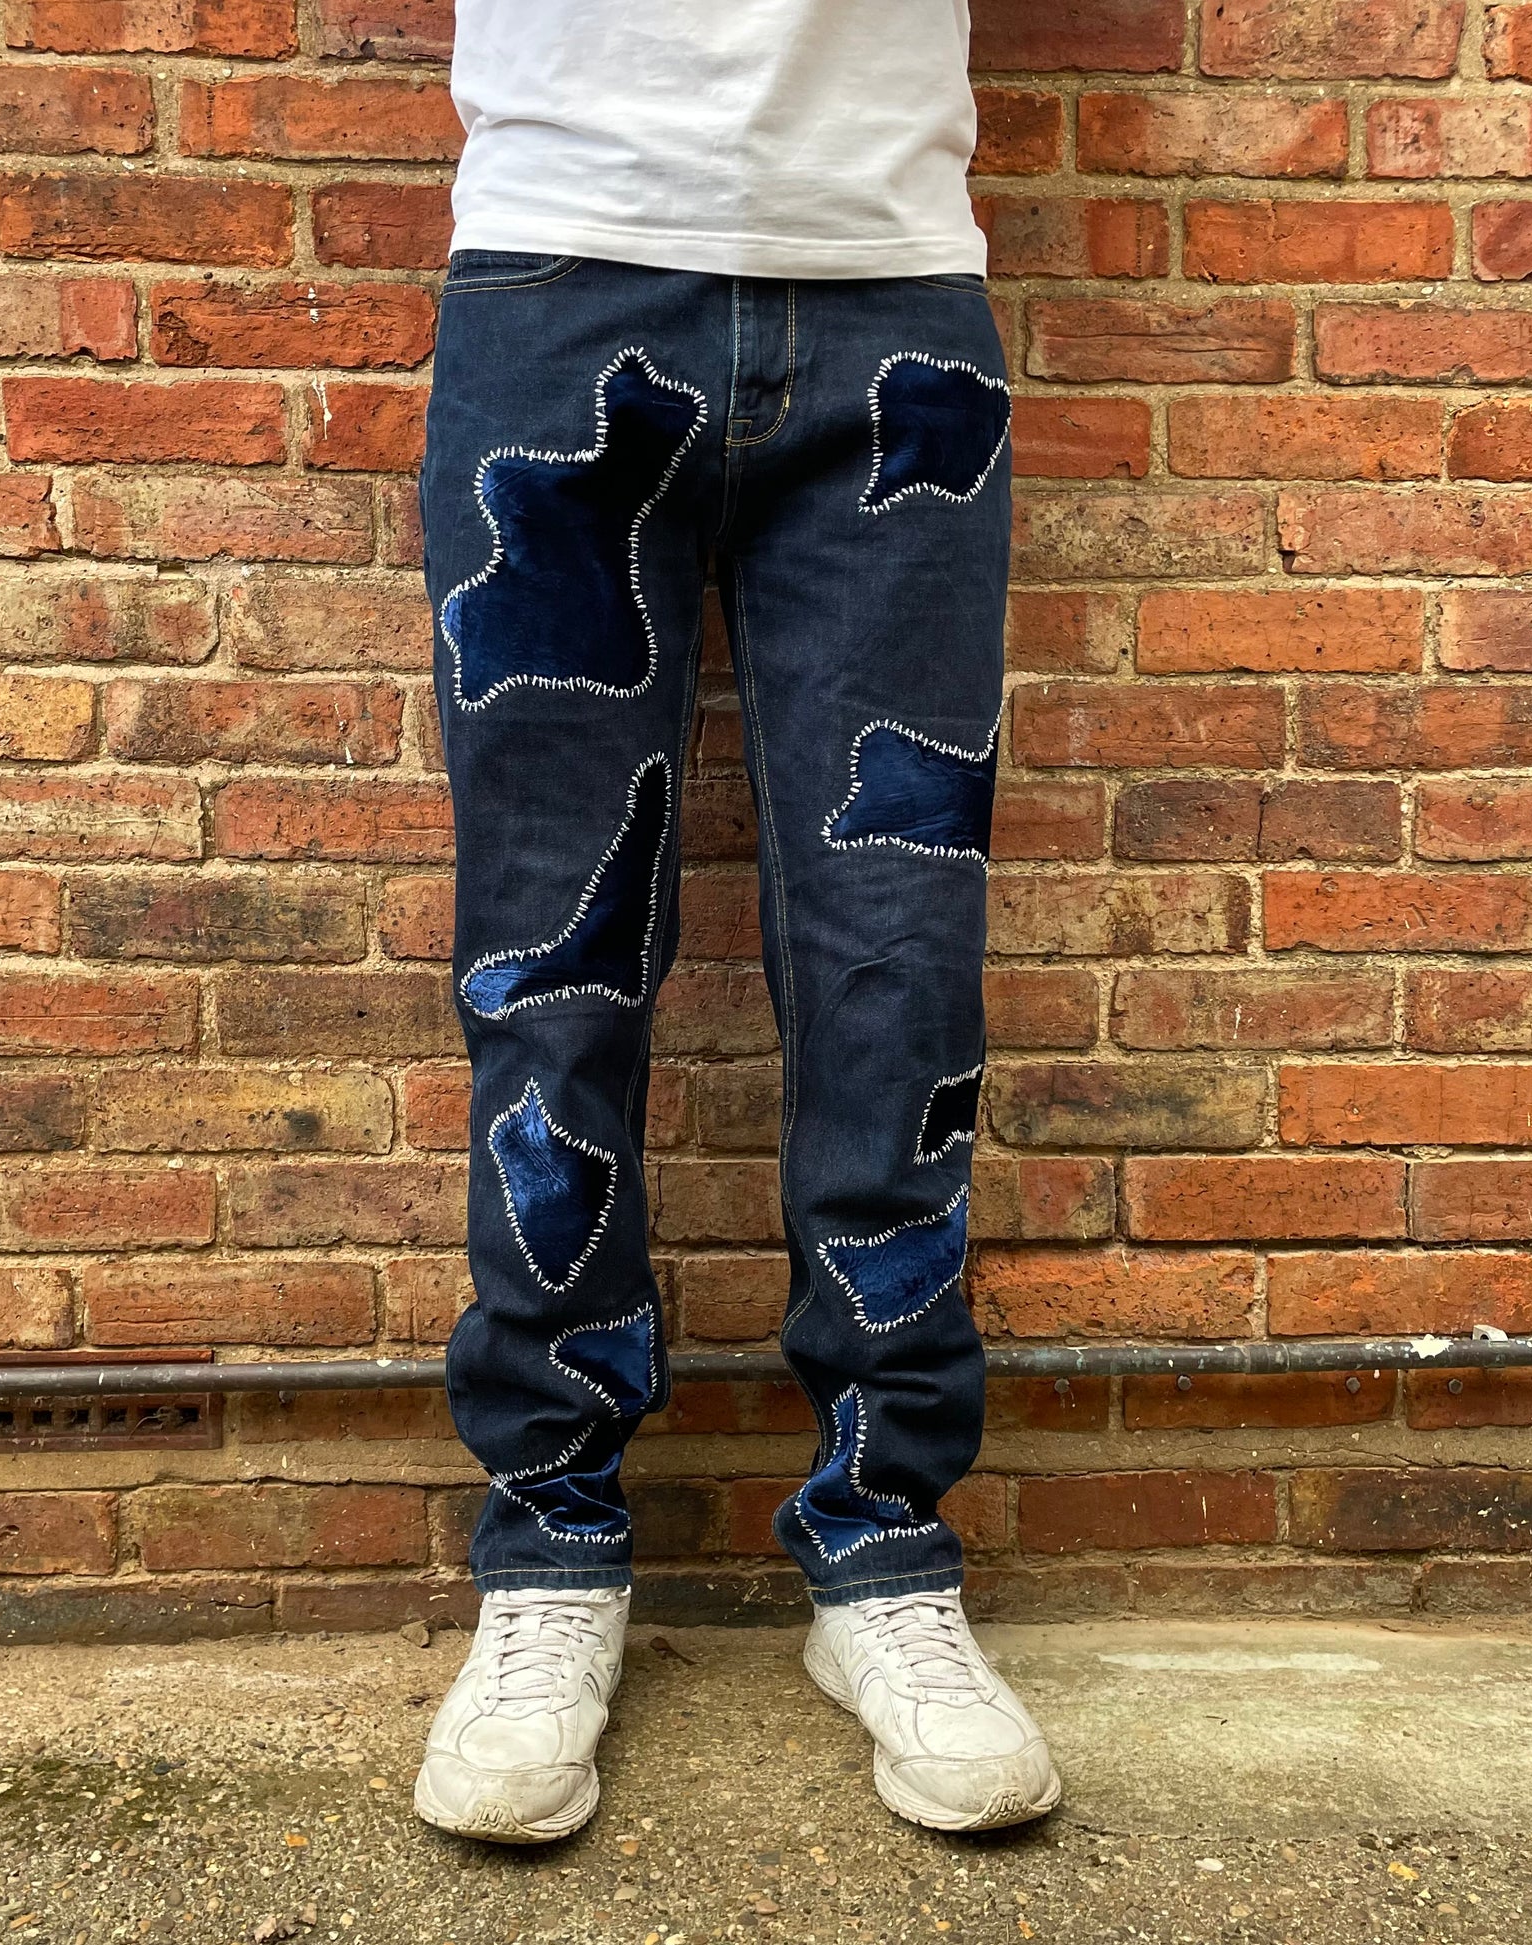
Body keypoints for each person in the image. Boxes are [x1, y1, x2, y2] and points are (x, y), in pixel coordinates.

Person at [411, 0, 1060, 1843]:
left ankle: (883, 1548)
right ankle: (551, 1549)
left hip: (890, 280)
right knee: (550, 969)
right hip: (557, 266)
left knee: (896, 969)